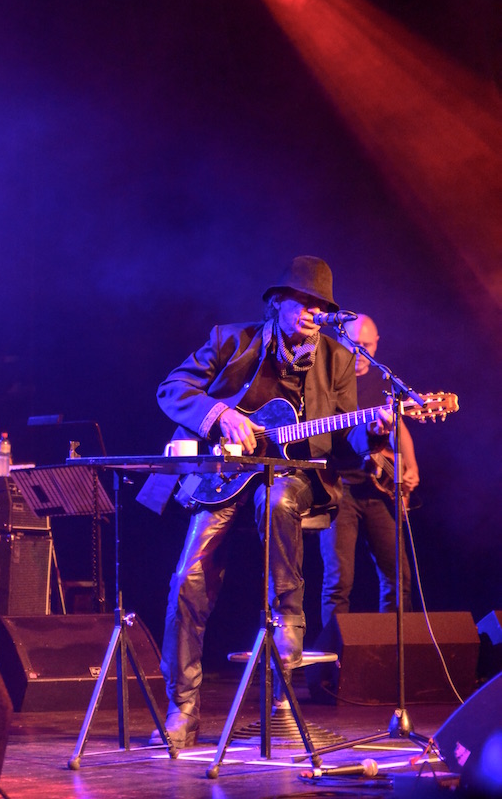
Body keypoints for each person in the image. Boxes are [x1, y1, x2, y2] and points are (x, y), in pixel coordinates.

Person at [152, 256, 392, 749]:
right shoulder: (230, 339)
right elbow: (171, 389)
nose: (312, 312)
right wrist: (219, 413)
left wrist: (373, 433)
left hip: (292, 477)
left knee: (279, 496)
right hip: (223, 476)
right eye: (303, 301)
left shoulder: (338, 358)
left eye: (322, 305)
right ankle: (184, 708)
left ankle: (288, 618)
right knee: (186, 581)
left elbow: (344, 434)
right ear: (276, 303)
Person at [319, 314, 420, 628]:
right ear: (339, 340)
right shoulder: (326, 378)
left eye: (367, 345)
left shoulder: (383, 382)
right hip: (337, 488)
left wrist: (411, 465)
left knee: (399, 577)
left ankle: (391, 658)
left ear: (376, 345)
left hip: (376, 490)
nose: (359, 351)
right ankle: (332, 670)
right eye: (353, 343)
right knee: (338, 582)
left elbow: (398, 425)